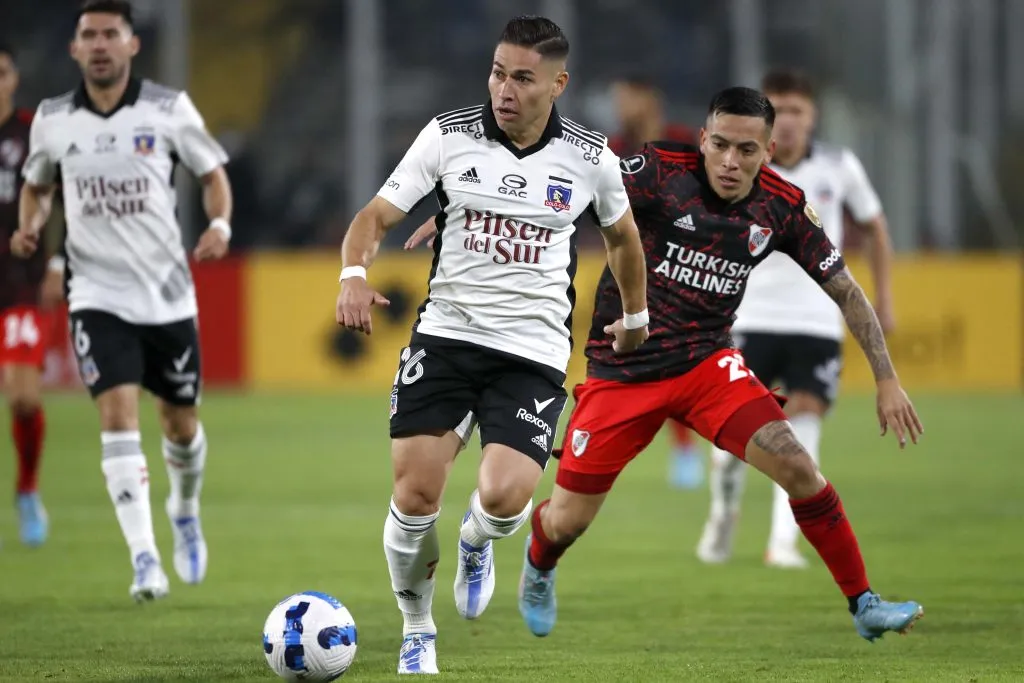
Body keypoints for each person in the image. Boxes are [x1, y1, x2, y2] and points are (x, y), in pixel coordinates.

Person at [515, 87, 923, 643]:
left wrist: (887, 378)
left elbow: (847, 291)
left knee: (800, 468)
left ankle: (864, 603)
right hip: (623, 369)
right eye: (722, 145)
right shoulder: (659, 171)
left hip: (708, 365)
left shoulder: (781, 206)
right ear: (703, 139)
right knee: (569, 520)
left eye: (747, 150)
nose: (731, 162)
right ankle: (539, 562)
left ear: (769, 151)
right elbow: (565, 196)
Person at [336, 15, 649, 675]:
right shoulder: (447, 136)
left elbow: (623, 240)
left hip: (531, 352)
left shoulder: (590, 158)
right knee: (416, 495)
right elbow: (373, 217)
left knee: (506, 495)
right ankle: (417, 627)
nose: (505, 89)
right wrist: (354, 274)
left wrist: (638, 314)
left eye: (523, 78)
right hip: (447, 338)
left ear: (558, 83)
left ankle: (479, 538)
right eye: (498, 73)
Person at [10, 0, 233, 601]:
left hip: (166, 295)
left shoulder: (168, 110)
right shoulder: (54, 120)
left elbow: (213, 174)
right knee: (116, 417)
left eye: (112, 33)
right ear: (75, 49)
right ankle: (144, 558)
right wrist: (31, 225)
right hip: (97, 295)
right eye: (90, 35)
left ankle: (184, 509)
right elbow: (35, 189)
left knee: (181, 426)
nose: (101, 44)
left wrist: (220, 227)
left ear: (132, 45)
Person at [697, 68, 897, 569]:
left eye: (797, 112)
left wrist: (884, 298)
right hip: (746, 316)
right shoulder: (740, 167)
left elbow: (874, 225)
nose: (787, 122)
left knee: (804, 420)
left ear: (812, 116)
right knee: (733, 429)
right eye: (778, 110)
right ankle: (723, 510)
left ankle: (782, 543)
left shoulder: (838, 165)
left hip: (815, 320)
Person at [606, 75, 705, 490]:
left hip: (683, 268)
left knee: (676, 362)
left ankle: (689, 449)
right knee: (630, 362)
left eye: (625, 97)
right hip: (631, 271)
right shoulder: (613, 149)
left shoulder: (685, 142)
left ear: (650, 98)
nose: (620, 107)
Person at [0, 41, 56, 547]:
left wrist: (56, 261)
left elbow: (57, 198)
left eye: (1, 73)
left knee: (21, 397)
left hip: (17, 283)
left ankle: (27, 488)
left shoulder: (31, 131)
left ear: (13, 78)